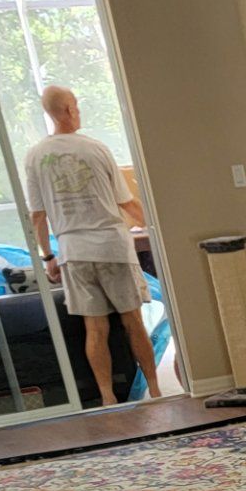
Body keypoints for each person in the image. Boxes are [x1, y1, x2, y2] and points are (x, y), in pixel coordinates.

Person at [23, 84, 161, 404]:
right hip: (113, 246)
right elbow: (125, 203)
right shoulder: (96, 149)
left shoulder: (34, 156)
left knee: (94, 328)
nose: (79, 111)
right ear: (69, 109)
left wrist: (47, 257)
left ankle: (107, 397)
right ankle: (155, 389)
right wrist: (153, 226)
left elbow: (38, 216)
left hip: (74, 252)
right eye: (77, 105)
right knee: (133, 322)